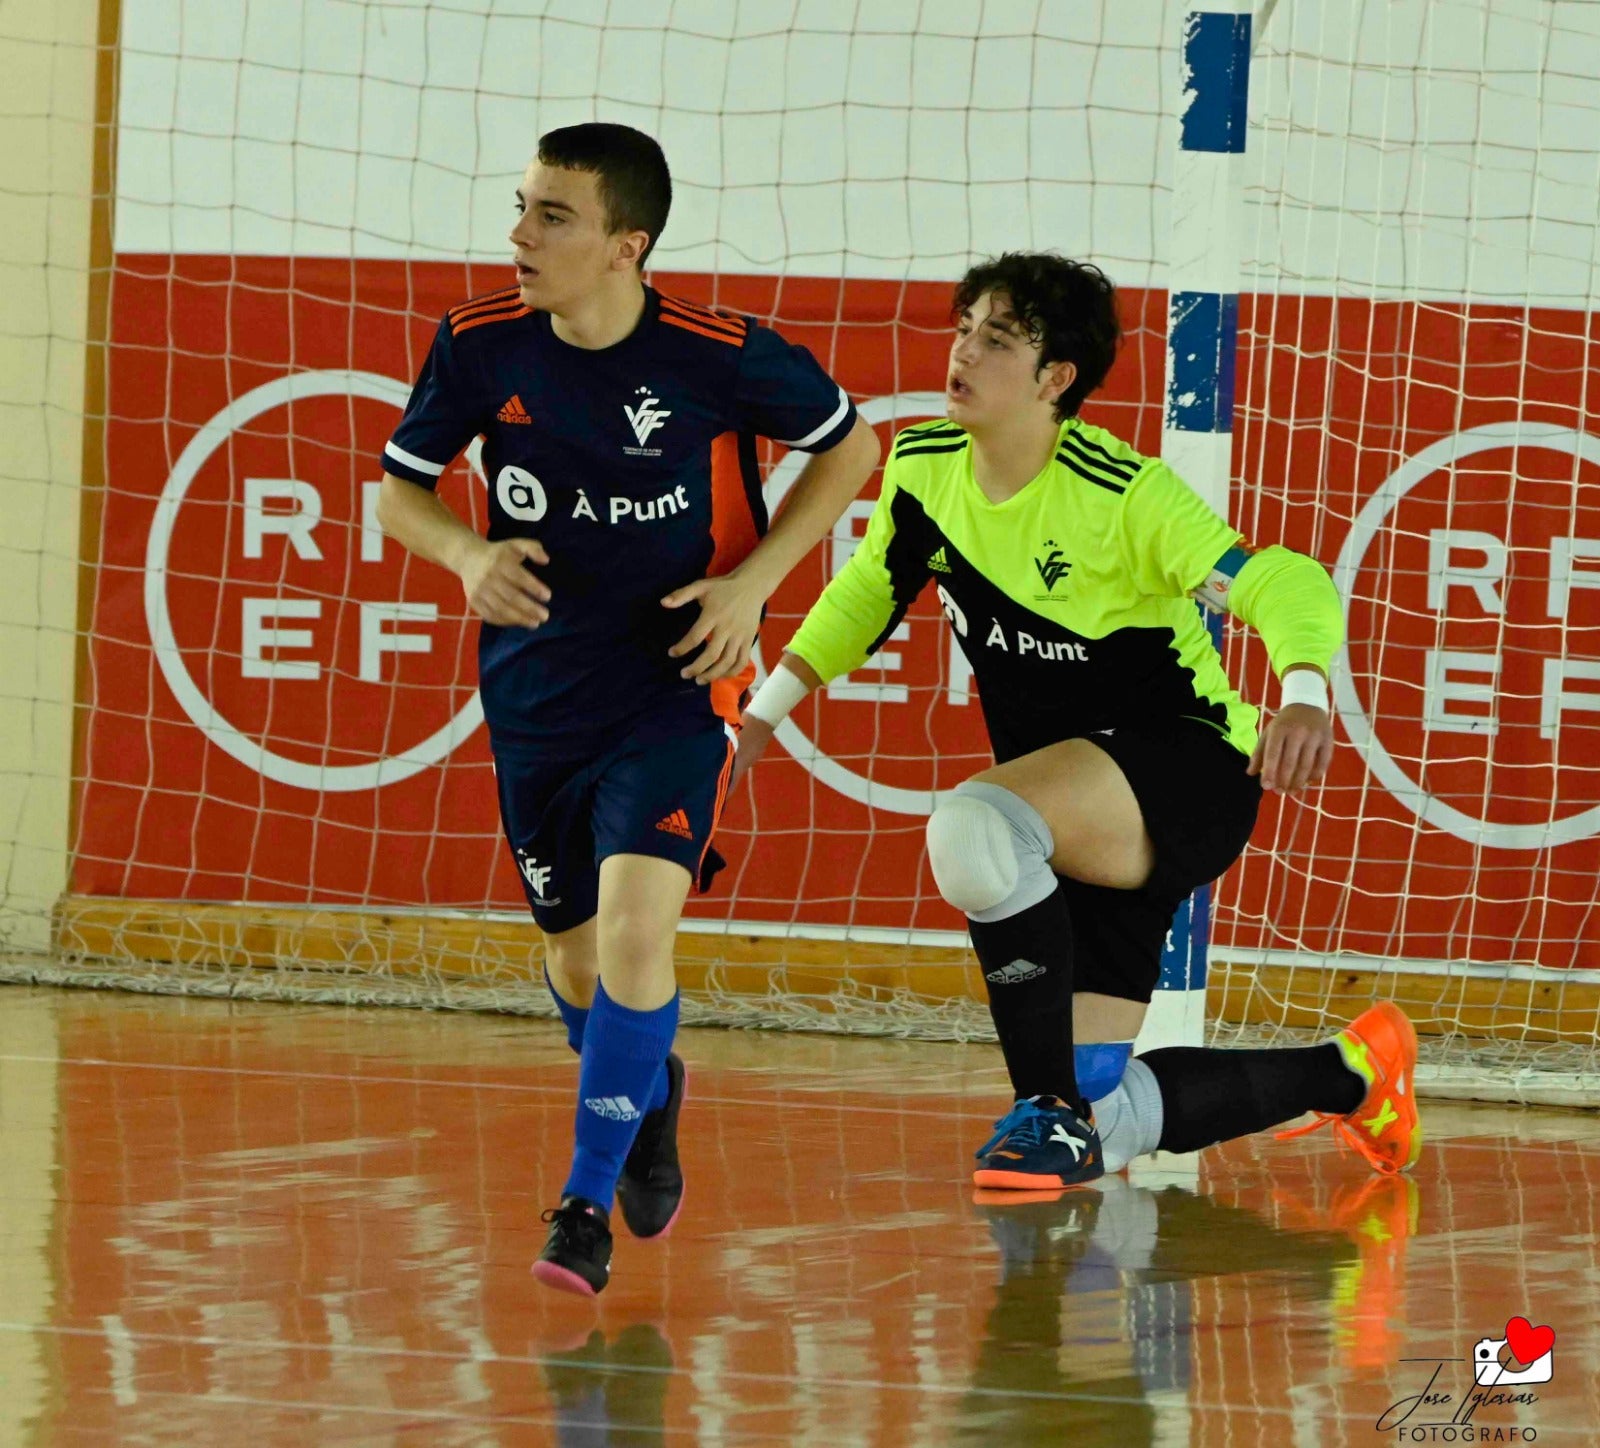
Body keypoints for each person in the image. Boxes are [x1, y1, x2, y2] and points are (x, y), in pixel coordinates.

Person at [733, 251, 1420, 1191]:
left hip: (1187, 771)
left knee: (975, 828)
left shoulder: (1120, 493)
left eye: (1000, 339)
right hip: (1074, 807)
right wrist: (767, 709)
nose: (965, 351)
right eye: (966, 327)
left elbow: (1277, 577)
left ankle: (1046, 1115)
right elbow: (869, 591)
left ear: (1057, 378)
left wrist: (1302, 687)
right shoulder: (926, 468)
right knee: (1109, 1117)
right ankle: (1354, 1071)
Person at [376, 122, 880, 1294]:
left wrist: (757, 584)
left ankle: (583, 1204)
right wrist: (462, 554)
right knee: (574, 954)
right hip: (538, 693)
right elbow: (399, 492)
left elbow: (852, 448)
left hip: (676, 684)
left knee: (639, 935)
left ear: (625, 245)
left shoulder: (719, 355)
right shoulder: (476, 344)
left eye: (552, 215)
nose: (518, 235)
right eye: (520, 206)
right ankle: (651, 1099)